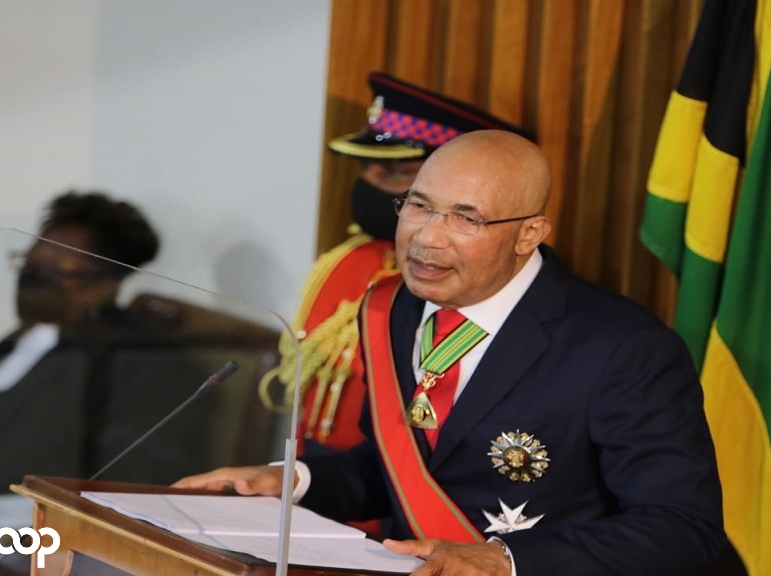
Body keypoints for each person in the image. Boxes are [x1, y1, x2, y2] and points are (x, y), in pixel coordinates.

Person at [177, 130, 733, 575]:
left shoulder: (623, 348)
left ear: (529, 234)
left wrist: (505, 561)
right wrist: (292, 482)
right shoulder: (392, 308)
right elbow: (401, 466)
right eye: (418, 206)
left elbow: (682, 525)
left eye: (466, 218)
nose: (426, 238)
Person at [258, 72, 530, 456]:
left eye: (393, 172)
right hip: (319, 482)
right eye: (365, 168)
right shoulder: (347, 260)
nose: (370, 182)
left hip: (401, 494)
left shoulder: (473, 278)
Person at [0, 191, 162, 497]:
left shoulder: (131, 363)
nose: (32, 279)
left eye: (52, 271)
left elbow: (123, 479)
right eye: (29, 265)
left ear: (103, 284)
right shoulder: (19, 339)